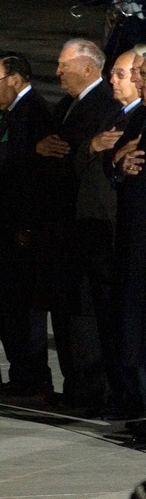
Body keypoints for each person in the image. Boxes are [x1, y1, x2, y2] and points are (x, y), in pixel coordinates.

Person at [32, 38, 116, 414]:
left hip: (84, 228)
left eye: (65, 65)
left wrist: (69, 150)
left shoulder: (105, 105)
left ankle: (90, 389)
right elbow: (52, 146)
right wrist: (40, 149)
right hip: (59, 227)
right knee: (64, 310)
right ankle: (73, 383)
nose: (58, 72)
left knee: (83, 314)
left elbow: (86, 157)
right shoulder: (66, 105)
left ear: (88, 66)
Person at [0, 54, 53, 397]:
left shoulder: (33, 111)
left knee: (23, 309)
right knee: (7, 306)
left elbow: (33, 175)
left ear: (16, 80)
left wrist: (27, 225)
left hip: (18, 231)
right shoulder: (7, 114)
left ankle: (33, 378)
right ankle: (21, 375)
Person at [105, 53, 146, 429]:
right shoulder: (140, 115)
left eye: (140, 75)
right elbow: (120, 160)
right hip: (133, 236)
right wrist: (121, 164)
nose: (139, 81)